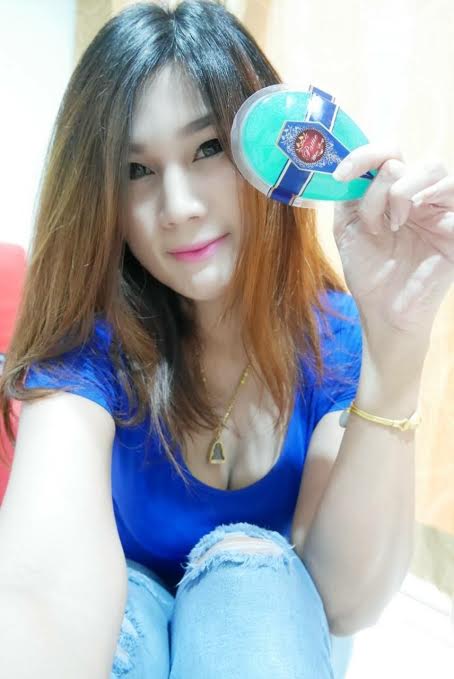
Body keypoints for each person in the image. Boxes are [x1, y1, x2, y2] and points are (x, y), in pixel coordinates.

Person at [0, 1, 453, 678]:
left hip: (272, 630)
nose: (179, 206)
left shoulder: (330, 334)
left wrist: (397, 346)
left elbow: (345, 602)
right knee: (131, 608)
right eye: (137, 170)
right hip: (129, 636)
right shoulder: (89, 347)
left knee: (249, 578)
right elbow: (40, 595)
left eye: (208, 148)